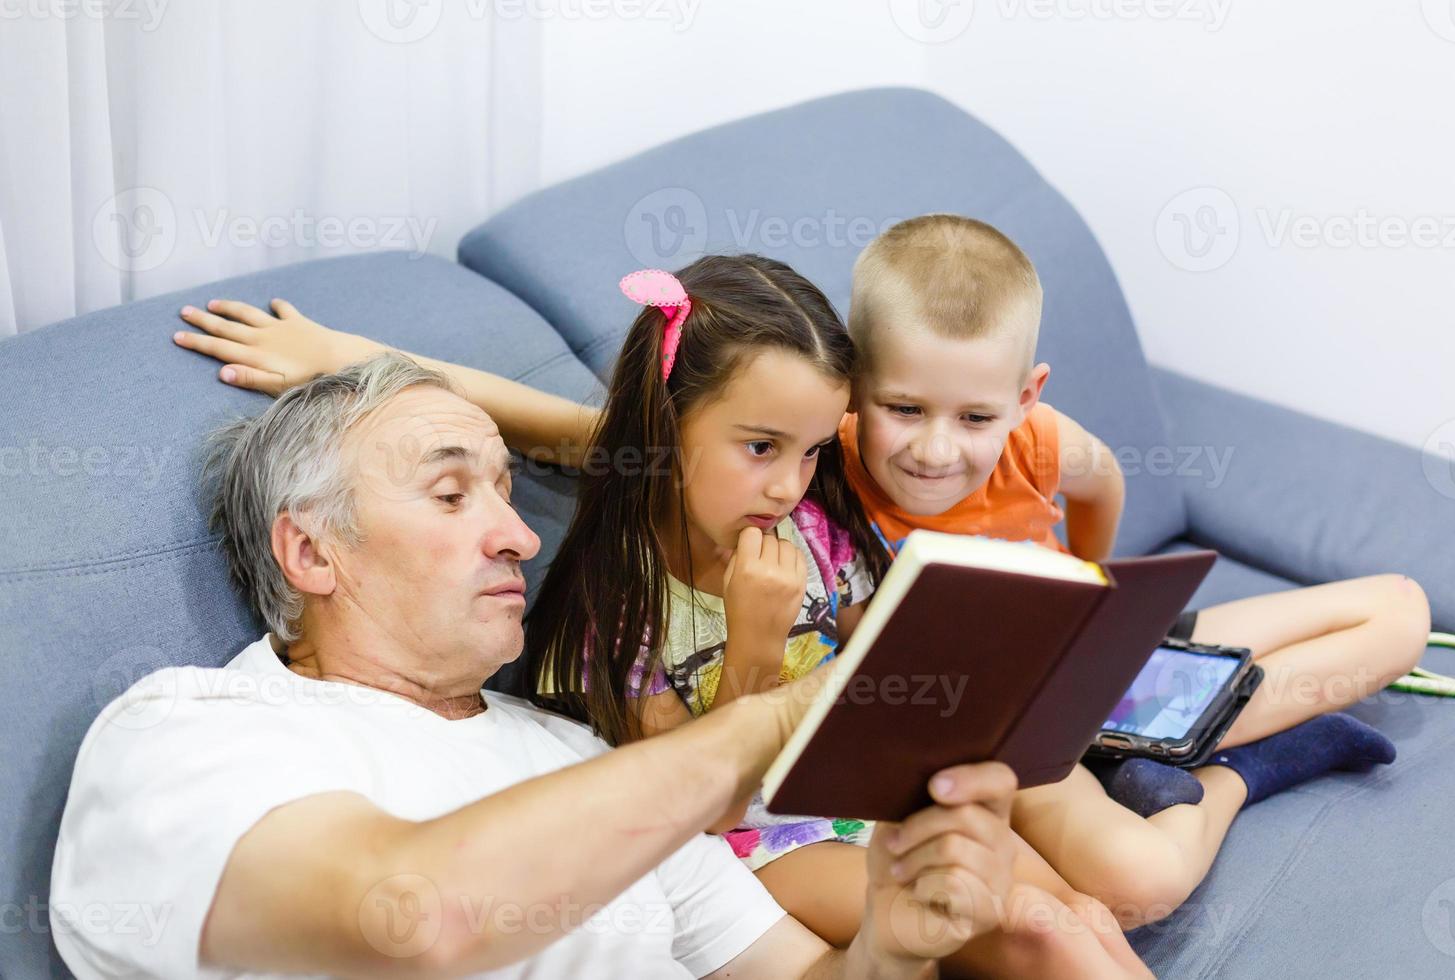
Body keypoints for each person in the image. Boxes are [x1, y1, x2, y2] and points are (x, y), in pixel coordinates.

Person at [173, 259, 1154, 977]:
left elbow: (866, 636)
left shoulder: (811, 510)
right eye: (763, 445)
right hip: (774, 836)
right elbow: (710, 804)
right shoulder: (625, 596)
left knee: (1079, 913)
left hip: (880, 786)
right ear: (664, 424)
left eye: (812, 449)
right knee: (1037, 928)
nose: (791, 480)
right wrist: (759, 641)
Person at [48, 354, 1023, 979]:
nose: (520, 533)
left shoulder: (577, 759)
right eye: (450, 492)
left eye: (509, 492)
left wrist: (893, 946)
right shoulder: (190, 729)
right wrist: (784, 707)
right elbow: (417, 916)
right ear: (312, 553)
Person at [832, 213, 1430, 926]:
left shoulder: (1040, 440)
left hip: (1090, 662)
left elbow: (1104, 481)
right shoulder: (822, 472)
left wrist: (1097, 588)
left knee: (1400, 609)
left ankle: (1152, 742)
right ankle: (1237, 771)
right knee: (1140, 886)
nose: (935, 450)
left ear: (1025, 397)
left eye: (974, 419)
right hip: (1002, 736)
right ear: (852, 383)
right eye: (904, 408)